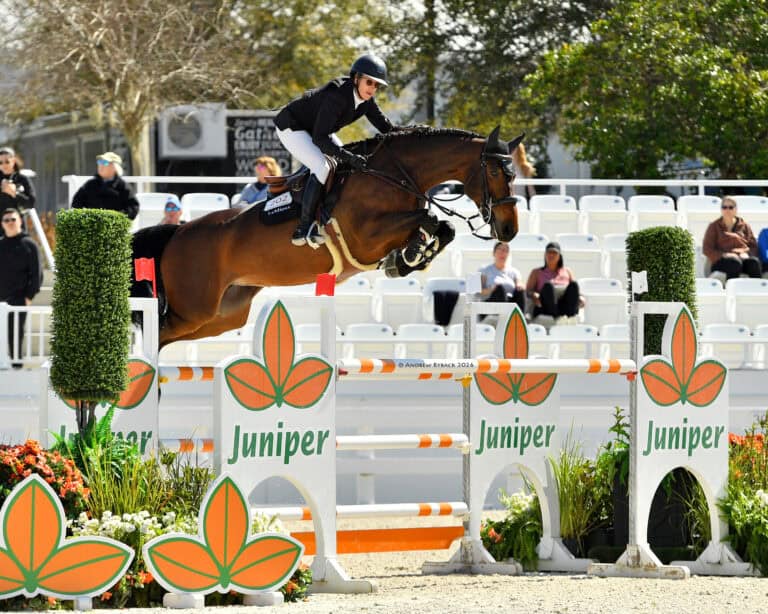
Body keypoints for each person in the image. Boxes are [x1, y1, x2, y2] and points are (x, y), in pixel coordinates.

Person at [274, 53, 398, 246]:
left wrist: (414, 132)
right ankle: (304, 227)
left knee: (344, 167)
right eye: (369, 82)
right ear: (356, 78)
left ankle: (325, 217)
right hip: (292, 126)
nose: (372, 88)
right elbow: (320, 139)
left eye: (376, 85)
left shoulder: (366, 101)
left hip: (318, 130)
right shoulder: (337, 96)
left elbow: (387, 128)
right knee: (322, 167)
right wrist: (348, 156)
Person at [0, 208, 42, 368]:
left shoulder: (29, 244)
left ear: (20, 221)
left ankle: (17, 369)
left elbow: (37, 275)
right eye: (6, 220)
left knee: (15, 335)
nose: (10, 223)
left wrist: (28, 297)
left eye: (13, 219)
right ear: (2, 224)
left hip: (18, 300)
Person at [703, 196, 761, 281]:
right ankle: (731, 292)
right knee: (734, 263)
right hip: (722, 261)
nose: (727, 210)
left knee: (754, 263)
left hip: (742, 258)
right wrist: (724, 255)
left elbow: (753, 246)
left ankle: (757, 292)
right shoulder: (714, 226)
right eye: (724, 207)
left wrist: (747, 254)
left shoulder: (744, 226)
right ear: (721, 210)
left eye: (731, 207)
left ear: (736, 209)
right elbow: (707, 249)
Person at [71, 152, 139, 219]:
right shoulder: (90, 185)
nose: (101, 166)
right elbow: (77, 202)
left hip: (114, 227)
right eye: (99, 162)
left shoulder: (123, 187)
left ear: (114, 167)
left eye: (104, 163)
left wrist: (118, 217)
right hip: (92, 225)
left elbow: (133, 208)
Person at [526, 241, 583, 321]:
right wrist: (533, 294)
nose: (551, 255)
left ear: (559, 256)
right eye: (549, 252)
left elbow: (574, 291)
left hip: (563, 305)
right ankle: (555, 317)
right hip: (545, 307)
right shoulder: (536, 272)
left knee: (574, 285)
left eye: (554, 253)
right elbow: (528, 291)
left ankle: (570, 316)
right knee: (548, 286)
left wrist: (581, 297)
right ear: (545, 255)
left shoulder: (567, 271)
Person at [478, 242, 525, 311]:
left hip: (510, 302)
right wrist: (492, 290)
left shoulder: (514, 271)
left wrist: (520, 286)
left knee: (520, 292)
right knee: (499, 288)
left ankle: (520, 317)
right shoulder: (485, 270)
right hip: (492, 303)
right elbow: (479, 290)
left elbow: (520, 284)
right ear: (494, 253)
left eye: (505, 250)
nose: (502, 253)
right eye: (500, 249)